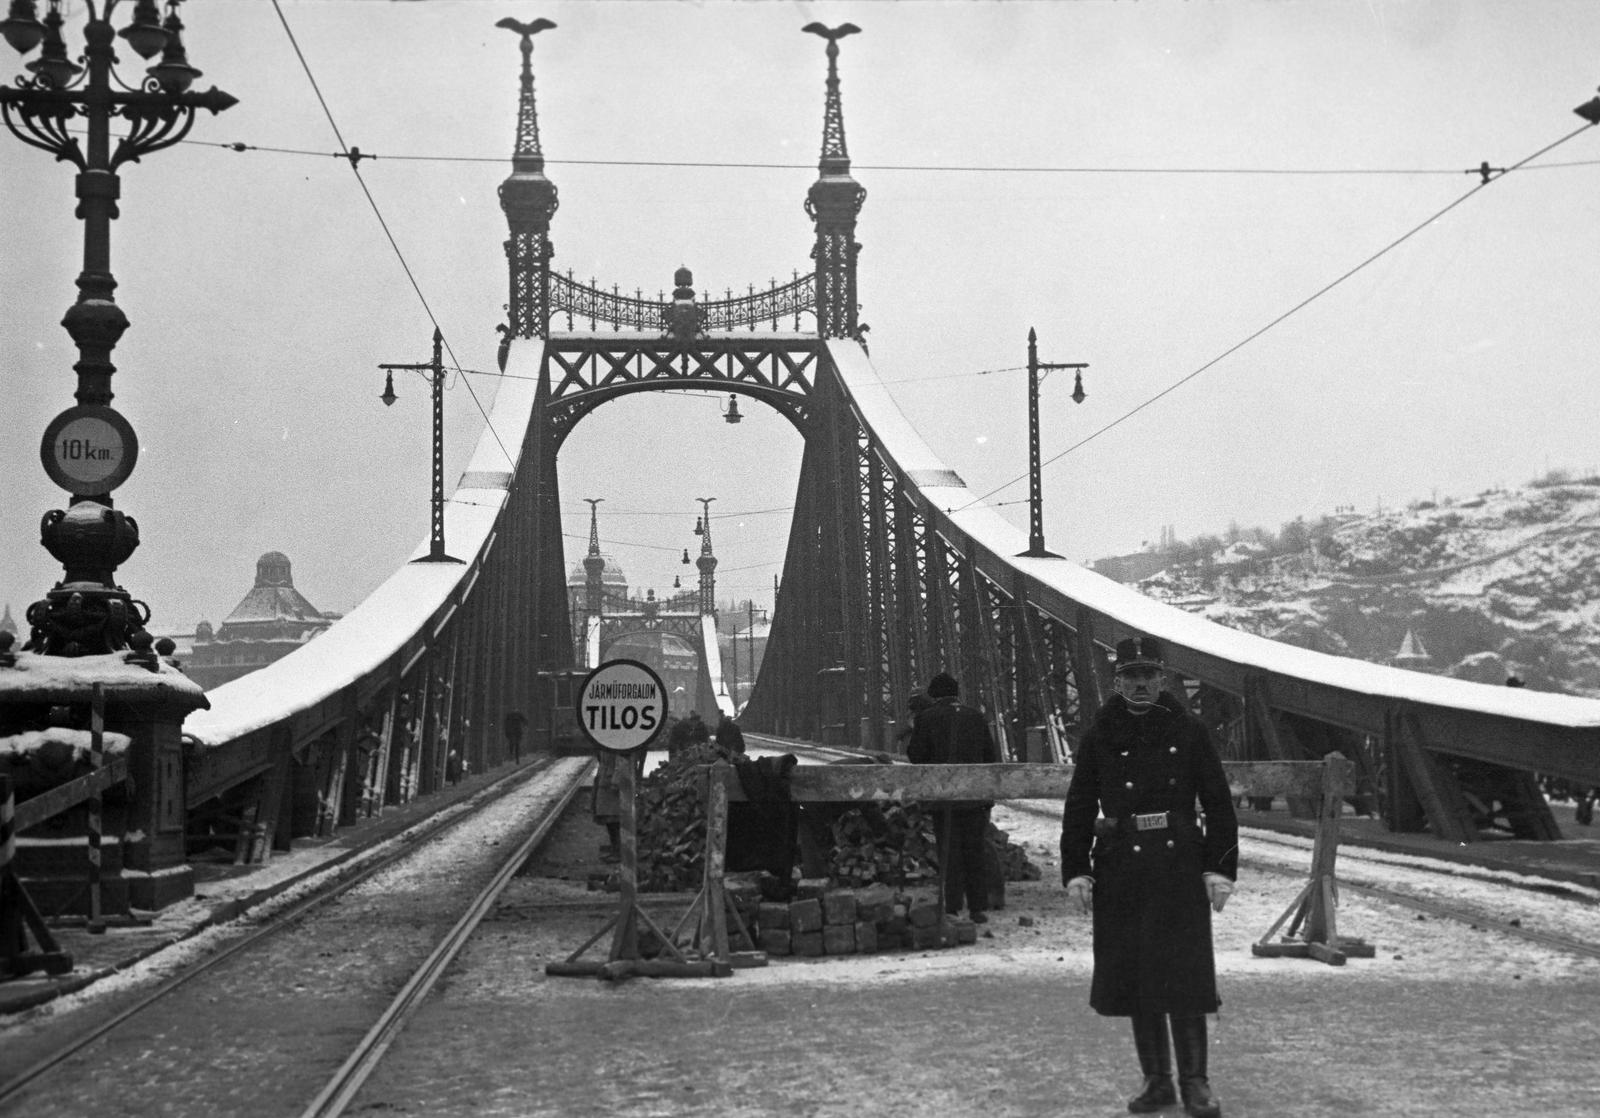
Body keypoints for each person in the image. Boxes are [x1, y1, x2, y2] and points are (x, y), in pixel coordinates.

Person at [1060, 636, 1238, 1118]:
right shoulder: (1101, 732)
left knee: (1184, 975)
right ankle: (1157, 1082)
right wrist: (1076, 869)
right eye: (1130, 677)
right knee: (1139, 978)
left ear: (1163, 679)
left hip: (1178, 864)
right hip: (1122, 865)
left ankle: (1196, 1084)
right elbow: (1079, 804)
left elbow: (1219, 803)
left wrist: (1219, 869)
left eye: (1149, 676)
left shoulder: (1190, 729)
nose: (1140, 685)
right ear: (1117, 681)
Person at [907, 671, 1000, 924]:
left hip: (943, 798)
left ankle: (952, 907)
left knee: (950, 853)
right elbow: (990, 757)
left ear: (934, 695)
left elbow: (915, 756)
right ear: (956, 693)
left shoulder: (926, 718)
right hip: (974, 797)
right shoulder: (976, 716)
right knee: (974, 851)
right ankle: (978, 908)